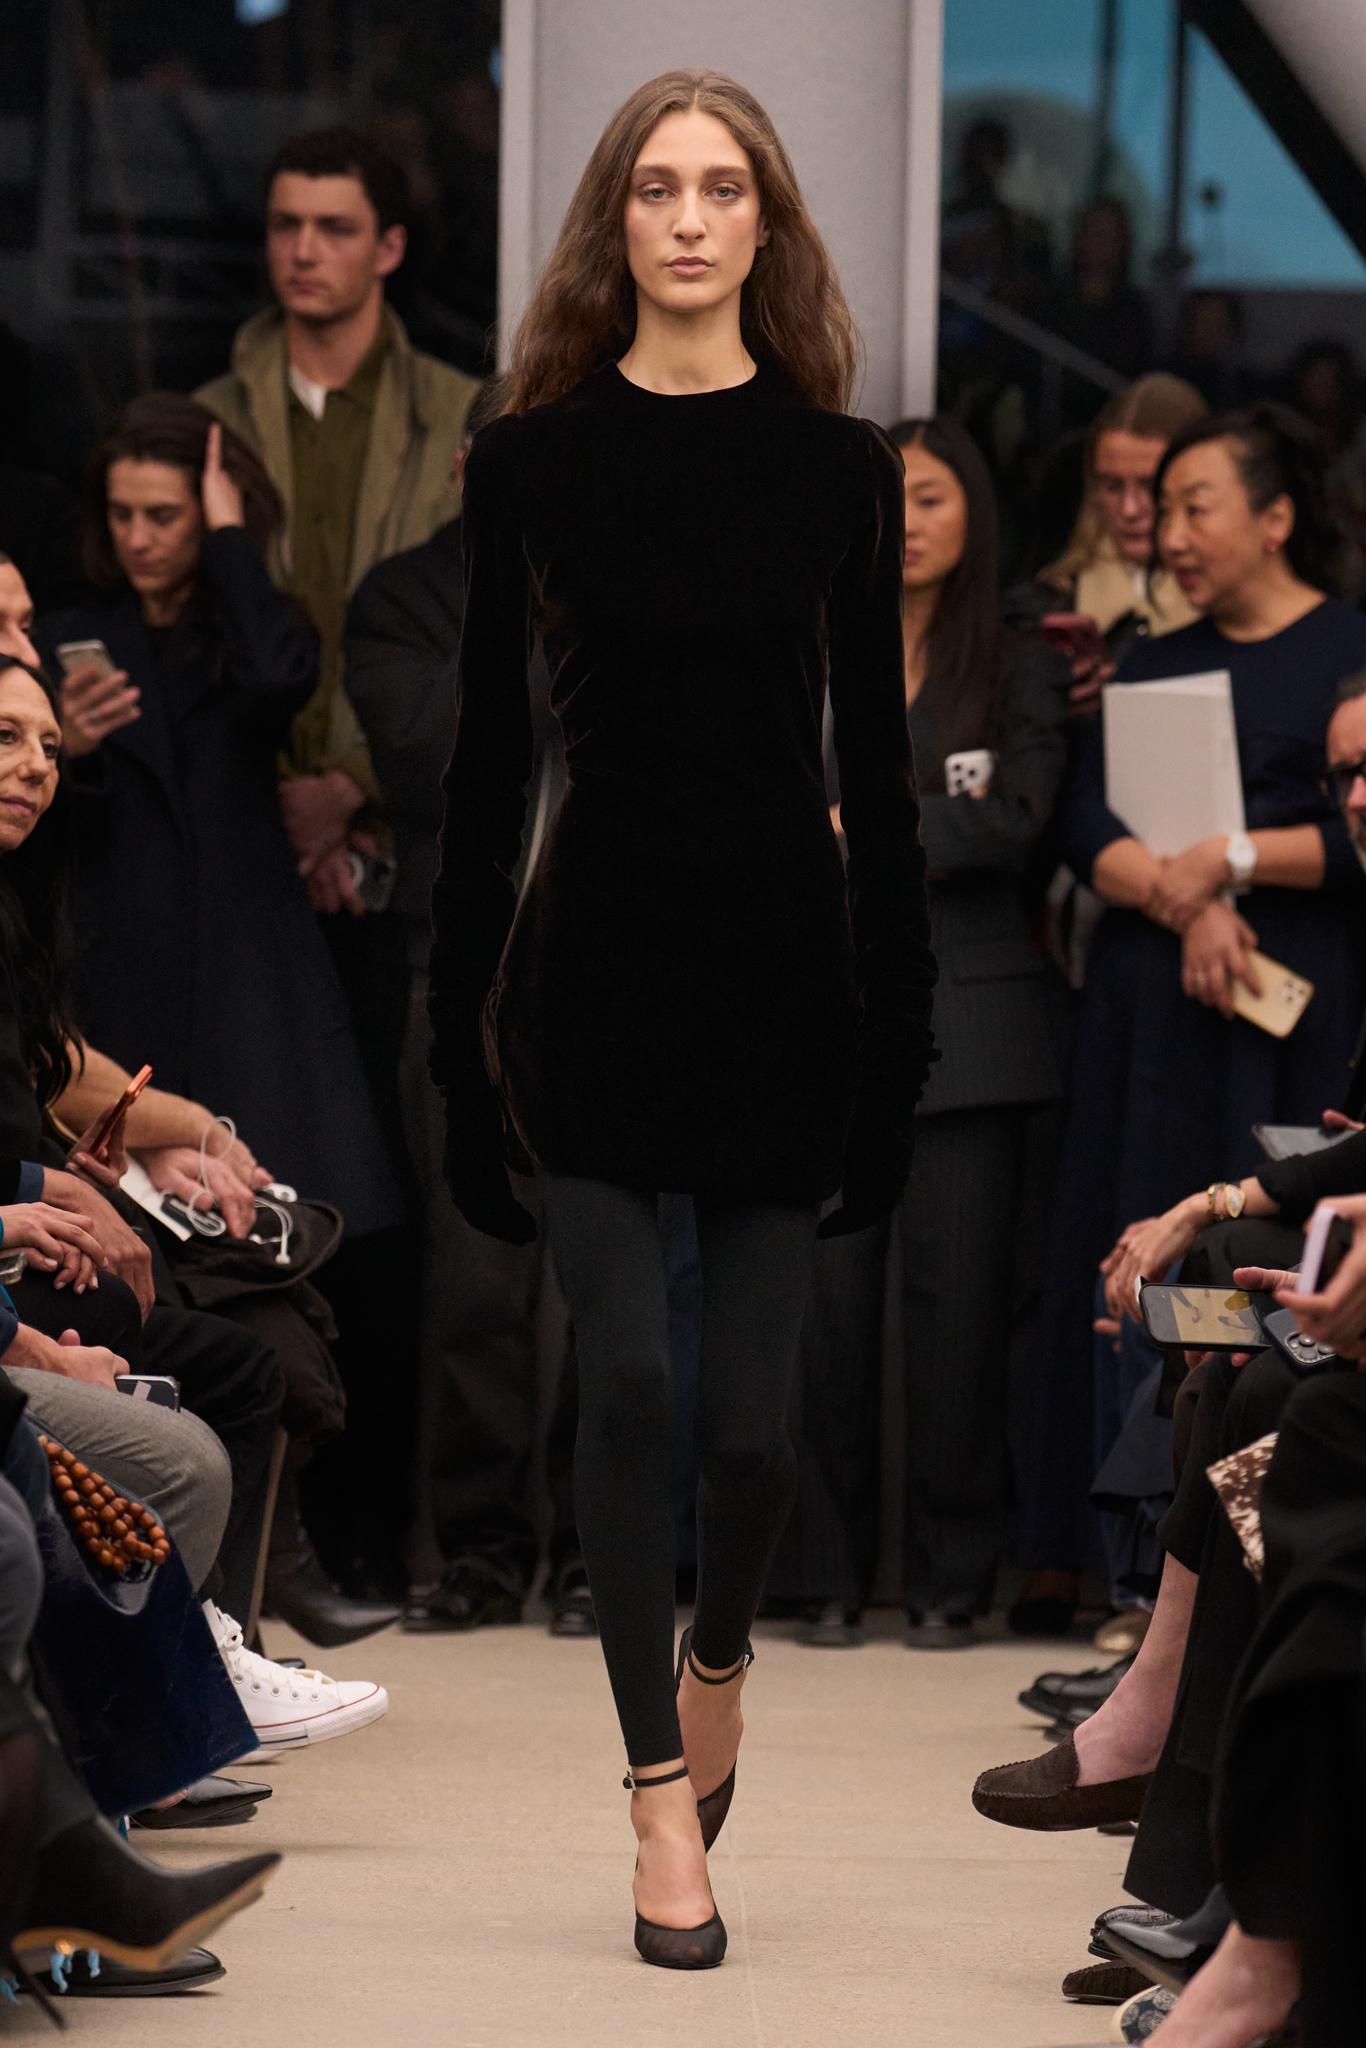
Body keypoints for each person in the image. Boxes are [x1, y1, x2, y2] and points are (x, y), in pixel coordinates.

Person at [427, 69, 935, 1966]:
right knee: (630, 1381)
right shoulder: (531, 462)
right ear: (615, 223)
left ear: (766, 223)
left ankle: (721, 1658)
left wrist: (897, 1046)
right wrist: (454, 1051)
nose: (692, 219)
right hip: (592, 978)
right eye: (658, 187)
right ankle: (657, 1795)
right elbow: (487, 778)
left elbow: (876, 785)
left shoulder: (838, 470)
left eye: (725, 188)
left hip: (780, 983)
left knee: (747, 1435)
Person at [1016, 403, 1366, 1684]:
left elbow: (1355, 839)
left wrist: (1228, 862)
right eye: (1159, 509)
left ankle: (1247, 1576)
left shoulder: (1349, 647)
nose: (1167, 532)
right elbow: (1081, 818)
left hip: (1297, 996)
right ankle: (1131, 1573)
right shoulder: (1147, 657)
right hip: (1156, 1000)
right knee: (1143, 1255)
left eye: (1194, 505)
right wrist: (1185, 901)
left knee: (1261, 1265)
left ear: (1275, 517)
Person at [789, 415, 1068, 1646]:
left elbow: (1015, 819)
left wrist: (860, 830)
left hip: (975, 1025)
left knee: (958, 1323)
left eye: (934, 497)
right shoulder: (802, 642)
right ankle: (827, 1575)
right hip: (821, 1020)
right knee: (824, 1320)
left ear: (976, 516)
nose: (906, 521)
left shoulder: (1017, 656)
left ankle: (955, 1577)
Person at [37, 394, 397, 1240]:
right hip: (116, 963)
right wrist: (69, 750)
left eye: (164, 515)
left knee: (290, 1218)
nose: (138, 537)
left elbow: (280, 678)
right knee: (137, 1226)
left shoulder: (251, 631)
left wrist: (232, 537)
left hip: (248, 971)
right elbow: (29, 829)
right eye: (121, 514)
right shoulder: (67, 637)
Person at [344, 390, 586, 1635]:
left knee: (611, 1282)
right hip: (465, 977)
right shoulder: (402, 596)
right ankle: (480, 1548)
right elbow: (431, 751)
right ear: (462, 466)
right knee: (476, 1283)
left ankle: (601, 1548)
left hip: (614, 975)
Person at [195, 125, 480, 923]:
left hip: (415, 835)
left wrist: (350, 786)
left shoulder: (459, 420)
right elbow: (190, 623)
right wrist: (287, 802)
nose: (303, 251)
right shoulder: (212, 421)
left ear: (390, 248)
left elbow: (475, 619)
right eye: (285, 226)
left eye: (335, 228)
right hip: (243, 830)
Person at [1018, 373, 1208, 714]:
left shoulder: (1240, 609)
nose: (1129, 510)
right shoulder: (1046, 609)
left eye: (1149, 486)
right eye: (1112, 486)